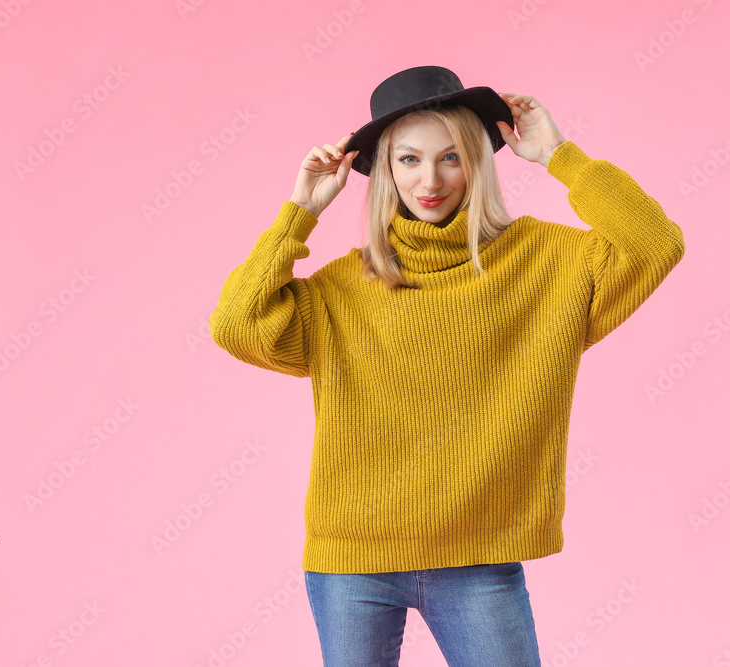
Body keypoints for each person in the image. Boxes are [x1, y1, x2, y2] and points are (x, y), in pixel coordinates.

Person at [209, 65, 685, 666]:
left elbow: (654, 243)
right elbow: (236, 325)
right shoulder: (343, 288)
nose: (429, 180)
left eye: (451, 157)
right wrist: (299, 212)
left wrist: (560, 155)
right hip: (352, 564)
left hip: (479, 561)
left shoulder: (546, 264)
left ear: (479, 163)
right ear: (384, 171)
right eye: (408, 160)